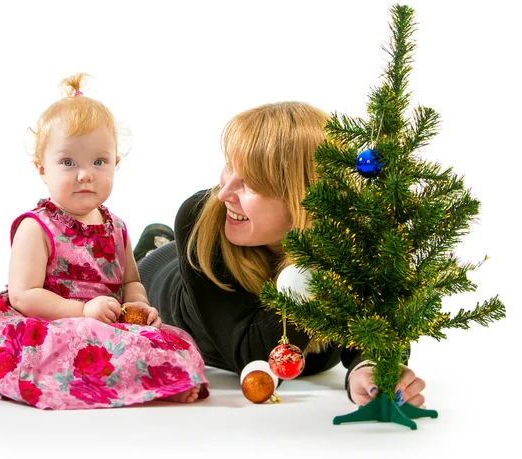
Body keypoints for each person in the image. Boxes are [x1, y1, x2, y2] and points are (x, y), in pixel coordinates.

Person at [136, 101, 426, 408]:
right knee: (135, 269)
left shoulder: (355, 237)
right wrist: (312, 266)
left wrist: (367, 368)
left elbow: (376, 324)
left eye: (250, 182)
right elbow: (256, 356)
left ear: (303, 199)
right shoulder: (201, 217)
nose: (224, 194)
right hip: (163, 279)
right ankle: (154, 241)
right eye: (230, 166)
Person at [0, 73, 208, 409]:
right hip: (52, 322)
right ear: (41, 169)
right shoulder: (37, 227)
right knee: (63, 350)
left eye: (99, 161)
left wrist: (137, 304)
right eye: (67, 162)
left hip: (105, 323)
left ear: (115, 164)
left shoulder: (116, 227)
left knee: (172, 343)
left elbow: (130, 280)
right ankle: (142, 384)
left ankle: (162, 383)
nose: (85, 174)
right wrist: (81, 311)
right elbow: (23, 295)